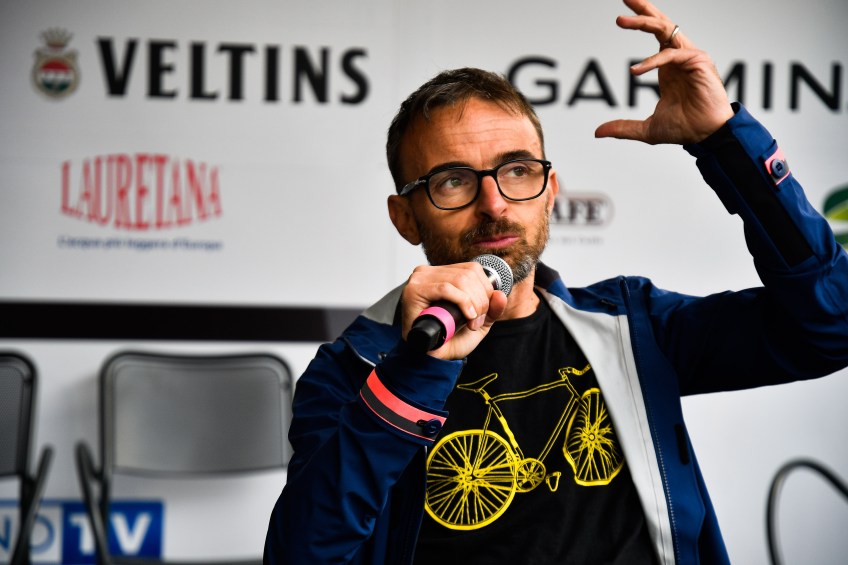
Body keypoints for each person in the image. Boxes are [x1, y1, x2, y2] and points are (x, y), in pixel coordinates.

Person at [264, 0, 848, 563]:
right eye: (453, 181)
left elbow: (832, 325)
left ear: (549, 192)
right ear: (405, 218)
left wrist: (726, 142)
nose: (494, 204)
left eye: (517, 170)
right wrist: (413, 372)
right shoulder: (351, 372)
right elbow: (302, 554)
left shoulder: (633, 326)